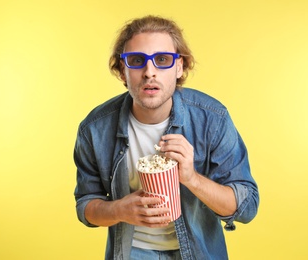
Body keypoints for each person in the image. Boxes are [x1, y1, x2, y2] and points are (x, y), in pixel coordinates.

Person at [73, 15, 259, 260]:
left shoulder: (212, 119)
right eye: (137, 61)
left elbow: (246, 207)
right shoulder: (95, 129)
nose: (150, 72)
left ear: (179, 66)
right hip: (131, 253)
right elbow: (86, 206)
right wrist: (119, 209)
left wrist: (192, 178)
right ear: (122, 70)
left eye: (162, 60)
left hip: (198, 252)